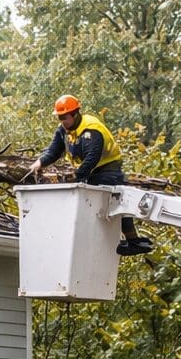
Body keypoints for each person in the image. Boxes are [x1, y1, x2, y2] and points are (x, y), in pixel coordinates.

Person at [30, 94, 152, 256]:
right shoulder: (64, 130)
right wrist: (40, 162)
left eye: (64, 117)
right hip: (91, 173)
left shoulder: (91, 130)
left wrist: (76, 177)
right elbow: (54, 151)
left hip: (108, 171)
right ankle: (125, 239)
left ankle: (131, 239)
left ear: (75, 114)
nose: (62, 121)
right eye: (59, 118)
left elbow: (91, 159)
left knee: (114, 202)